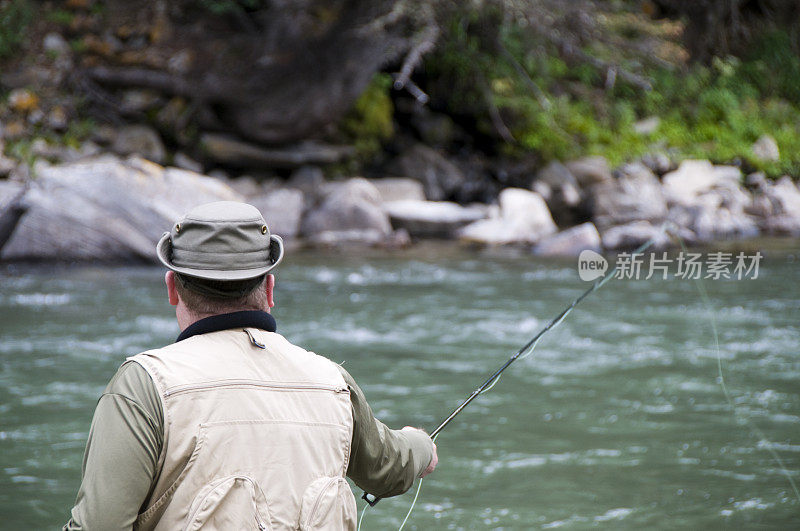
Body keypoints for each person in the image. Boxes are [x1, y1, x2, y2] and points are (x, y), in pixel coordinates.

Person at [64, 201, 437, 530]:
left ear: (172, 287)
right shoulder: (332, 382)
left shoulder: (143, 386)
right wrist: (422, 445)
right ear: (270, 290)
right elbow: (389, 467)